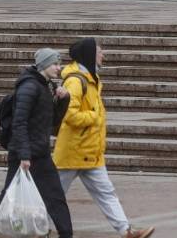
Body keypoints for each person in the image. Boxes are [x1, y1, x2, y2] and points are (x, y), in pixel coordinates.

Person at [54, 38, 155, 238]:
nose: (103, 55)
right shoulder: (76, 81)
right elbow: (69, 115)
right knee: (53, 196)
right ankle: (32, 227)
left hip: (90, 152)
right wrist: (94, 116)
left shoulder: (91, 77)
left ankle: (126, 231)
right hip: (73, 152)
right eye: (100, 51)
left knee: (106, 193)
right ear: (90, 55)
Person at [0, 48, 73, 238]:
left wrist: (64, 100)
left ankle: (67, 234)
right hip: (23, 155)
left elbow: (52, 124)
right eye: (55, 64)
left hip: (40, 154)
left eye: (59, 64)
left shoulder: (47, 86)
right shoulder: (29, 87)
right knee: (7, 197)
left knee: (56, 197)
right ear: (43, 65)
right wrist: (24, 155)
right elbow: (19, 122)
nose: (59, 68)